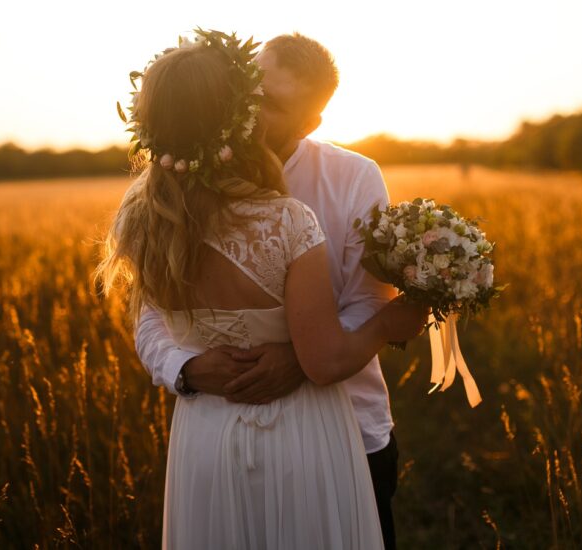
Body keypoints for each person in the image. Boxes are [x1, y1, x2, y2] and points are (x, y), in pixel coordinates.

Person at [96, 30, 428, 549]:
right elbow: (149, 316)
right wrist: (183, 368)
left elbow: (368, 297)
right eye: (247, 91)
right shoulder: (163, 195)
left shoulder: (354, 176)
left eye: (270, 105)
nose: (248, 111)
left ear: (310, 121)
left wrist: (300, 356)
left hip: (348, 431)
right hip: (216, 426)